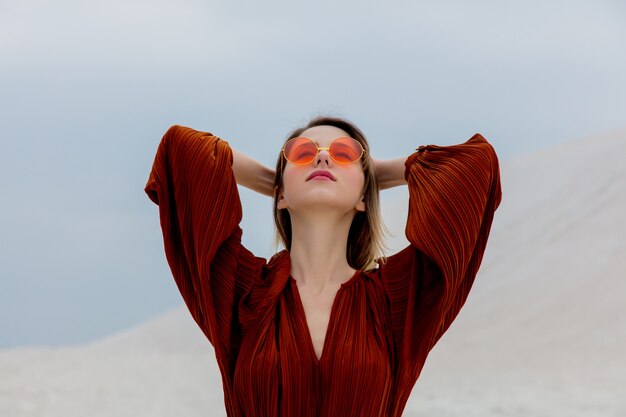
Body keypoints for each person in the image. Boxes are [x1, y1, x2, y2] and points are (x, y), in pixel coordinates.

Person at [144, 115, 502, 417]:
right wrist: (278, 181)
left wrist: (376, 177)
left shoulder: (396, 307)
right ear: (280, 196)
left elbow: (474, 166)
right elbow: (181, 149)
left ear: (365, 196)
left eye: (344, 154)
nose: (323, 159)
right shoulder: (243, 297)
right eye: (303, 154)